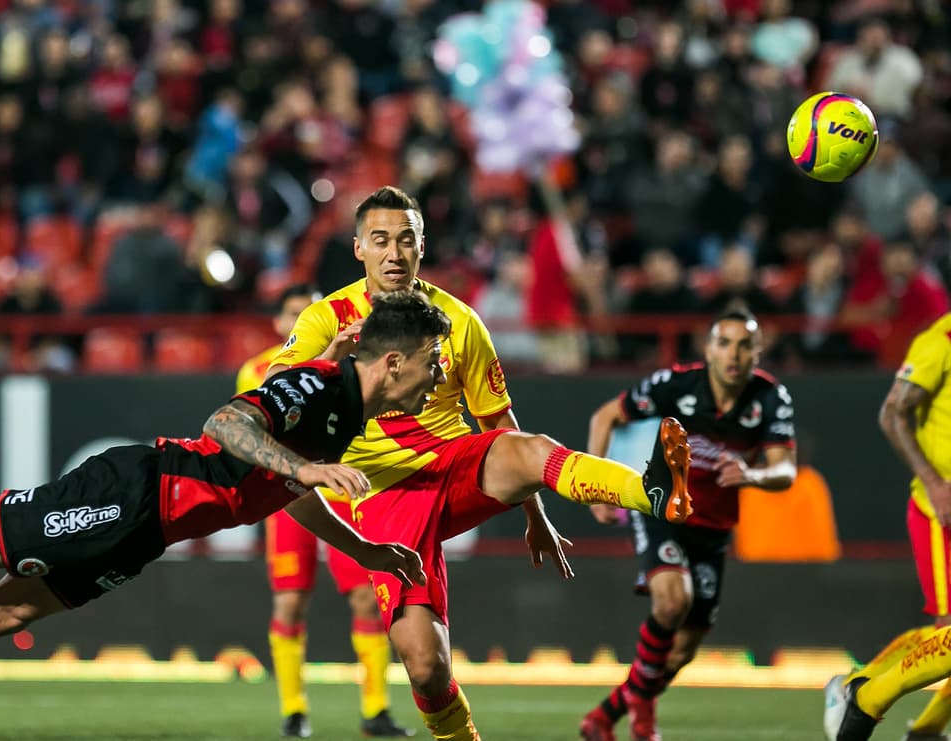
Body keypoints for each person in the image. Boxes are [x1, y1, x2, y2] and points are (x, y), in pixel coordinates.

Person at [0, 291, 449, 741]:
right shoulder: (318, 385)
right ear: (393, 361)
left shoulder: (344, 415)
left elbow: (286, 490)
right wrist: (304, 465)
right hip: (135, 492)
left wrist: (371, 549)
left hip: (144, 533)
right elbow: (227, 421)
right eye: (433, 364)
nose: (438, 379)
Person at [266, 186, 696, 741]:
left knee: (529, 447)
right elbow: (277, 395)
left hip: (454, 463)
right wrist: (331, 361)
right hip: (381, 495)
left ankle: (651, 491)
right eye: (381, 241)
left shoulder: (460, 320)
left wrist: (534, 514)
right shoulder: (328, 318)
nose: (394, 254)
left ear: (422, 247)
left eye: (406, 241)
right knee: (425, 665)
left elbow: (498, 424)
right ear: (358, 249)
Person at [579, 310, 798, 741]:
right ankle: (644, 722)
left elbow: (785, 469)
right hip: (662, 510)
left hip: (713, 529)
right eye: (725, 343)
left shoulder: (771, 399)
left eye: (744, 345)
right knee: (671, 602)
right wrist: (594, 489)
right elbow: (605, 417)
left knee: (680, 653)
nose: (734, 354)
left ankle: (603, 718)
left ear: (758, 352)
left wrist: (752, 476)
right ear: (708, 349)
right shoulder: (675, 384)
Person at [239, 284, 413, 738]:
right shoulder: (256, 371)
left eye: (308, 313)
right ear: (280, 323)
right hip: (290, 496)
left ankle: (375, 710)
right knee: (291, 600)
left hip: (342, 493)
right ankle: (293, 710)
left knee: (366, 600)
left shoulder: (351, 367)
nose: (301, 321)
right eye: (293, 314)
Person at [826, 311, 951, 741]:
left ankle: (875, 697)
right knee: (950, 632)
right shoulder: (941, 341)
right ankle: (866, 696)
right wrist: (935, 484)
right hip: (942, 514)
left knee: (947, 636)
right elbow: (892, 413)